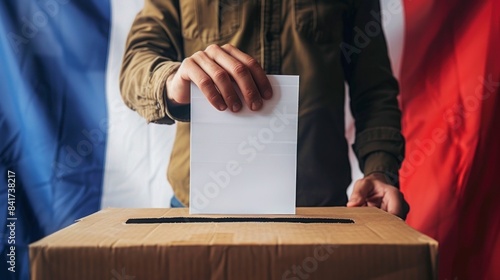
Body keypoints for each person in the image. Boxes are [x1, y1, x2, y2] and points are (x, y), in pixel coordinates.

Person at [120, 0, 409, 218]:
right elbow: (136, 62)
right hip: (197, 209)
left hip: (317, 212)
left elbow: (374, 88)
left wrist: (380, 171)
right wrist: (172, 81)